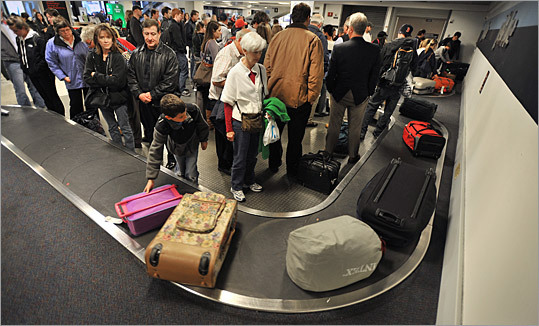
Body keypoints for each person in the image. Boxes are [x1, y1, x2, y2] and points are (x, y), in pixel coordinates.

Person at [264, 2, 324, 177]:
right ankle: (292, 170)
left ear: (291, 18)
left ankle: (274, 164)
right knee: (295, 139)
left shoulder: (277, 38)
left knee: (274, 133)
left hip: (275, 95)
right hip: (299, 99)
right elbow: (316, 73)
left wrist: (269, 89)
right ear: (308, 19)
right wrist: (311, 97)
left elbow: (267, 66)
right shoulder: (312, 40)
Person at [324, 12, 381, 164]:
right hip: (360, 95)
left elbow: (331, 74)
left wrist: (331, 89)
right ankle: (352, 156)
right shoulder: (374, 50)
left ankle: (328, 153)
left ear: (350, 29)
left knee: (334, 125)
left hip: (339, 93)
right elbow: (374, 75)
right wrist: (369, 92)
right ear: (364, 30)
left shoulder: (340, 48)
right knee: (355, 127)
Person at [221, 32, 267, 202]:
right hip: (240, 121)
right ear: (245, 50)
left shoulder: (261, 70)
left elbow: (263, 95)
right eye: (255, 52)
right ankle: (237, 186)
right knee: (240, 157)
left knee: (252, 155)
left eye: (260, 52)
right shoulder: (235, 73)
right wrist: (229, 129)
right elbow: (227, 103)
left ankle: (249, 180)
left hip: (256, 119)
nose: (258, 56)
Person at [360, 23, 418, 140]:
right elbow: (415, 68)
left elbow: (379, 64)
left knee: (372, 106)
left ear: (399, 33)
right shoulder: (412, 49)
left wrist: (375, 81)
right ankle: (378, 133)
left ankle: (362, 132)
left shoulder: (390, 45)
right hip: (398, 85)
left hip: (384, 83)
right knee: (388, 110)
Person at [127, 19, 179, 148]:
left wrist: (151, 94)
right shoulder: (136, 54)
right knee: (150, 132)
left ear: (159, 34)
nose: (150, 38)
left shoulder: (169, 54)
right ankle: (154, 160)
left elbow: (170, 81)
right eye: (146, 34)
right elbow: (131, 77)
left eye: (153, 34)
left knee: (167, 133)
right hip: (144, 103)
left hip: (164, 102)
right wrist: (139, 94)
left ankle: (171, 161)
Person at [84, 23, 134, 150]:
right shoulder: (92, 56)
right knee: (112, 127)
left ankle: (132, 154)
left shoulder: (118, 57)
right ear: (97, 39)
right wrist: (107, 78)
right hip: (101, 98)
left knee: (125, 127)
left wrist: (96, 75)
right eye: (102, 37)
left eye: (108, 37)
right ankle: (119, 152)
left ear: (113, 38)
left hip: (119, 97)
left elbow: (118, 81)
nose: (105, 40)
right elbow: (87, 78)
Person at [143, 94, 209, 191]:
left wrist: (204, 140)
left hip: (192, 145)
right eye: (181, 117)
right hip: (176, 147)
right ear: (169, 117)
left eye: (185, 113)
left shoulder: (193, 109)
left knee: (191, 173)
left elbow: (202, 125)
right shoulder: (162, 125)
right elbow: (155, 149)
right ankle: (181, 192)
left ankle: (192, 191)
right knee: (180, 173)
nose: (185, 117)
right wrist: (151, 178)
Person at [208, 29, 251, 175]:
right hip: (219, 102)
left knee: (230, 137)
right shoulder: (227, 54)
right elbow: (216, 80)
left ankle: (229, 162)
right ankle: (224, 165)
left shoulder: (240, 54)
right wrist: (238, 82)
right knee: (223, 137)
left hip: (231, 101)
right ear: (239, 41)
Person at [7, 17, 64, 114]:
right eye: (13, 31)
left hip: (44, 74)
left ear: (23, 28)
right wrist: (25, 68)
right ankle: (53, 117)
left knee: (52, 96)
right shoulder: (19, 39)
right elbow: (21, 54)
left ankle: (61, 116)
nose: (15, 33)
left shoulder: (37, 39)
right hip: (32, 74)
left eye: (16, 30)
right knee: (44, 97)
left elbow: (46, 57)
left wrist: (37, 69)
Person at [45, 17, 89, 119]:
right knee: (75, 104)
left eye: (68, 29)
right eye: (62, 31)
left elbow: (91, 54)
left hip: (87, 77)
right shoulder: (52, 44)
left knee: (91, 103)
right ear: (57, 32)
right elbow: (51, 62)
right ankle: (78, 125)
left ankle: (95, 125)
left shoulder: (81, 38)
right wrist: (63, 76)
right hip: (71, 78)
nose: (66, 33)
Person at [1, 17, 45, 108]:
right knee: (20, 90)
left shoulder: (29, 34)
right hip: (11, 60)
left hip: (27, 60)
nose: (14, 32)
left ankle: (41, 108)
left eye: (15, 30)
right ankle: (26, 110)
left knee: (34, 86)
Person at [197, 20, 221, 129]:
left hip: (204, 73)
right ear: (213, 31)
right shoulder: (212, 43)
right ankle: (209, 121)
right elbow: (217, 59)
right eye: (219, 30)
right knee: (210, 100)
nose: (221, 33)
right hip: (209, 74)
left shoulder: (206, 42)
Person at [307, 13, 329, 124]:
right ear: (320, 24)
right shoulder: (320, 37)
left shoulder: (302, 32)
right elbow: (324, 58)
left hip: (298, 73)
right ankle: (308, 120)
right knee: (313, 98)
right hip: (313, 73)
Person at [169, 8, 190, 97]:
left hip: (177, 51)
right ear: (176, 15)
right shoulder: (174, 26)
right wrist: (182, 48)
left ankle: (180, 88)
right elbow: (178, 40)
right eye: (180, 15)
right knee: (183, 69)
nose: (181, 17)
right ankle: (181, 88)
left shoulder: (176, 25)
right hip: (178, 51)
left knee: (180, 70)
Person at [185, 10, 199, 81]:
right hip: (192, 45)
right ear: (193, 16)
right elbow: (187, 35)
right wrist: (195, 35)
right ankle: (193, 77)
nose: (198, 17)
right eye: (197, 15)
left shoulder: (194, 24)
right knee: (193, 61)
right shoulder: (189, 24)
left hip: (194, 45)